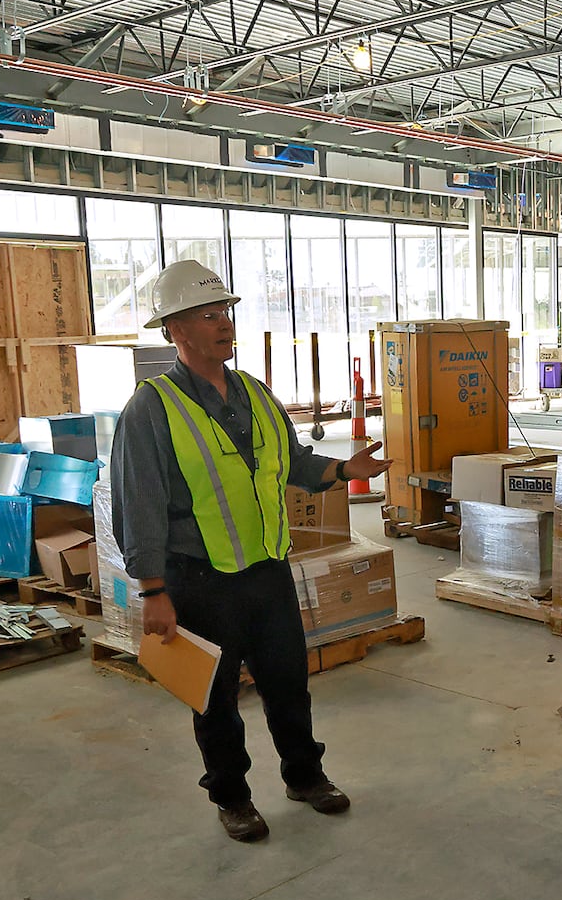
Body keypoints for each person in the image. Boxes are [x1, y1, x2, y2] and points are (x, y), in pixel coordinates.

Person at [112, 260, 394, 843]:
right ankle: (232, 796)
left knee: (288, 681)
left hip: (267, 569)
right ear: (176, 331)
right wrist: (152, 590)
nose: (223, 325)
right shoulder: (152, 408)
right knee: (214, 700)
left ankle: (305, 775)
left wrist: (344, 469)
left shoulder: (256, 393)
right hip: (199, 578)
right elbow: (137, 504)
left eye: (226, 313)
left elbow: (288, 461)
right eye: (207, 315)